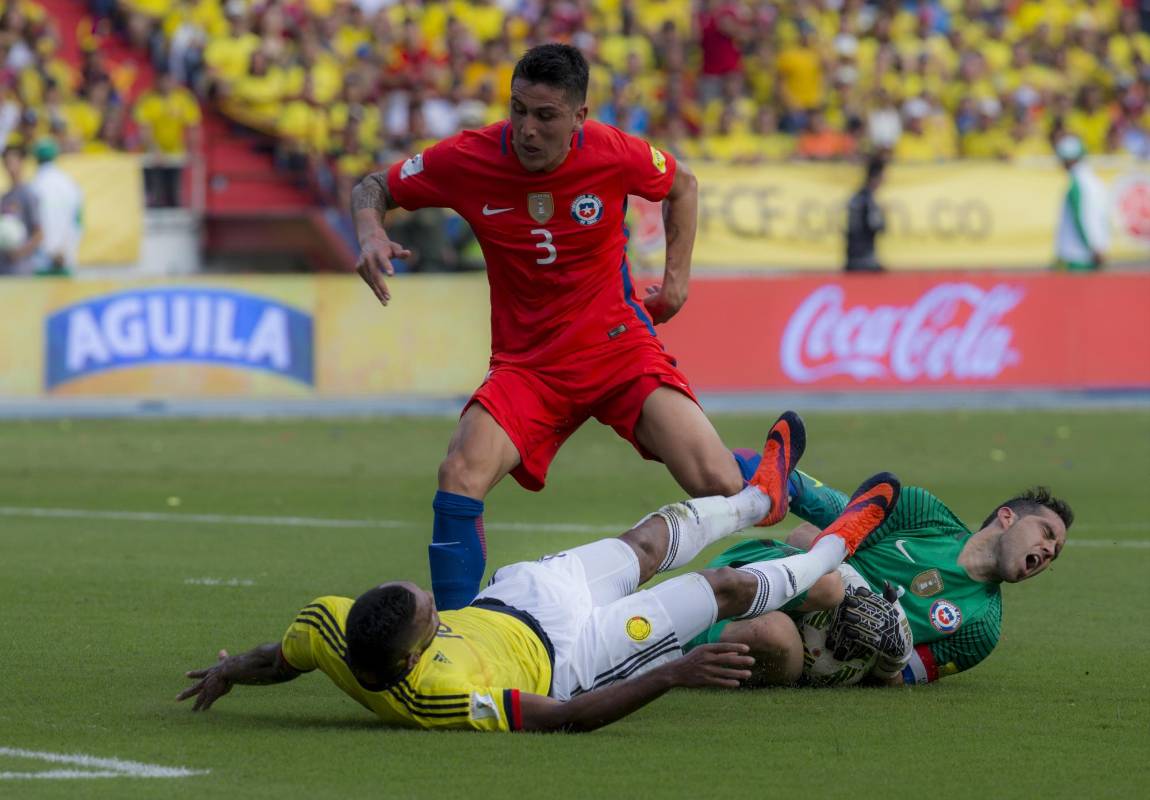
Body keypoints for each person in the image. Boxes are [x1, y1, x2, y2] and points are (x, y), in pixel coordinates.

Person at [351, 43, 756, 611]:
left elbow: (682, 185)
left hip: (615, 347)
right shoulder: (467, 156)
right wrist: (370, 233)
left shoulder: (614, 152)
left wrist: (676, 284)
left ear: (579, 118)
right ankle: (461, 636)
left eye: (545, 116)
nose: (526, 129)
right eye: (518, 110)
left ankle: (794, 489)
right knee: (460, 472)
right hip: (529, 366)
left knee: (718, 483)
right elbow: (373, 187)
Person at [178, 415, 902, 732]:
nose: (434, 605)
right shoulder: (444, 699)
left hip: (518, 598)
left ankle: (759, 498)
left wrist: (231, 672)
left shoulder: (332, 623)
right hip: (574, 655)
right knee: (718, 591)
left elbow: (282, 657)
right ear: (412, 656)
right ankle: (835, 546)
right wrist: (668, 677)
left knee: (646, 541)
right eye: (431, 614)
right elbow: (563, 719)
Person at [690, 469, 1072, 687]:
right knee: (829, 586)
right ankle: (684, 617)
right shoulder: (924, 513)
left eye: (1056, 553)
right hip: (785, 577)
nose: (1049, 552)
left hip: (813, 653)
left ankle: (675, 655)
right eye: (1047, 533)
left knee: (774, 635)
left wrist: (893, 654)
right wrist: (852, 586)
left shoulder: (981, 630)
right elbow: (805, 534)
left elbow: (897, 678)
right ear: (1008, 518)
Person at [1054, 135, 1109, 271]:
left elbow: (1082, 217)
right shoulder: (1095, 182)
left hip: (1077, 258)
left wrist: (1093, 247)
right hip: (1091, 253)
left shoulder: (1077, 184)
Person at [28, 139, 83, 275]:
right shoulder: (70, 184)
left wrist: (49, 252)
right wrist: (65, 250)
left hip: (41, 262)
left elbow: (33, 225)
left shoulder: (34, 186)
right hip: (65, 259)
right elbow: (78, 222)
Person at [0, 145, 44, 275]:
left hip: (21, 269)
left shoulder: (28, 195)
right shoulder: (5, 197)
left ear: (21, 163)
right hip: (4, 268)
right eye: (7, 162)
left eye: (13, 161)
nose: (10, 167)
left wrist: (20, 252)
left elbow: (39, 234)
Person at [844, 156, 886, 272]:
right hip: (863, 259)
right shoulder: (868, 200)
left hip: (852, 256)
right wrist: (882, 216)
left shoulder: (857, 197)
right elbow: (876, 226)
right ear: (876, 177)